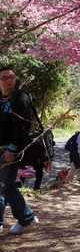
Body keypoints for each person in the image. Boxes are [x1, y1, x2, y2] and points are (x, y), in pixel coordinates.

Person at [0, 65, 39, 235]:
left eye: (11, 77)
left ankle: (26, 217)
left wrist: (12, 148)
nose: (9, 81)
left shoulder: (20, 97)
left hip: (10, 149)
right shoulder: (1, 99)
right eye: (4, 78)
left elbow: (23, 126)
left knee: (7, 186)